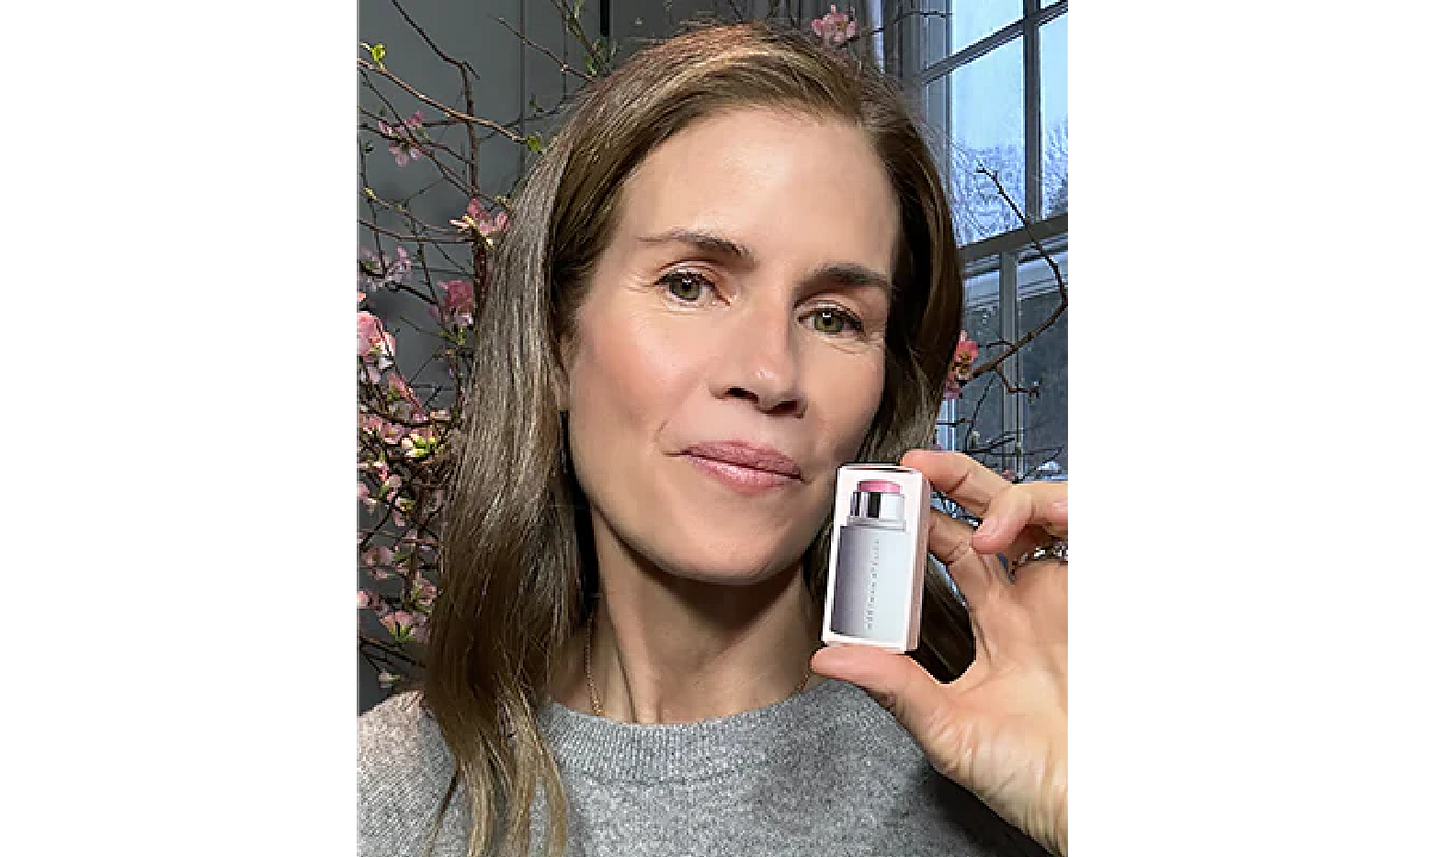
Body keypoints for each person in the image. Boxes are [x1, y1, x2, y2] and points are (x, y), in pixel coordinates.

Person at [354, 20, 1069, 857]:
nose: (769, 373)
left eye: (834, 317)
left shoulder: (1014, 757)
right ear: (555, 343)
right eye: (690, 284)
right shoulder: (383, 799)